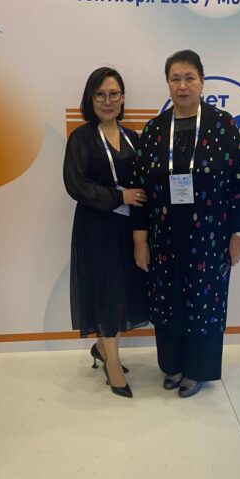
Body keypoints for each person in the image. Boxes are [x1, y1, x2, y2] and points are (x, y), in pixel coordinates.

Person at [132, 50, 240, 398]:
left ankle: (198, 370)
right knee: (168, 299)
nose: (182, 85)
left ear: (202, 82)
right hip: (165, 235)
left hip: (210, 236)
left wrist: (239, 234)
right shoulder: (155, 130)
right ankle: (172, 364)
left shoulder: (222, 125)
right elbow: (140, 188)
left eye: (189, 78)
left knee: (205, 301)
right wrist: (140, 241)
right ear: (168, 84)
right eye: (175, 79)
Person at [64, 67, 149, 398]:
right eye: (100, 94)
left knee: (122, 291)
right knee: (107, 293)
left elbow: (141, 187)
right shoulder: (81, 138)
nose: (107, 100)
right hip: (96, 228)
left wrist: (142, 233)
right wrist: (117, 197)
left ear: (123, 98)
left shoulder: (133, 139)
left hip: (127, 229)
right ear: (90, 99)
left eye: (114, 94)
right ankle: (113, 364)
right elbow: (75, 184)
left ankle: (102, 348)